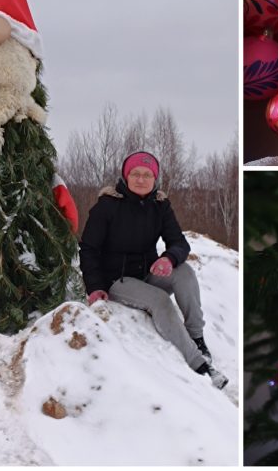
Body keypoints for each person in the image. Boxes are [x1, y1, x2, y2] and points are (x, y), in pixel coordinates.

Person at [79, 151, 228, 389]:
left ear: (155, 178)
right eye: (135, 174)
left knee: (185, 273)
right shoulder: (107, 206)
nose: (141, 179)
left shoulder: (160, 205)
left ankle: (197, 337)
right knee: (160, 301)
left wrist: (169, 258)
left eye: (147, 174)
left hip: (147, 273)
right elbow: (88, 249)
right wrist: (95, 287)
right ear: (126, 177)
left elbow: (179, 242)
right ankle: (199, 364)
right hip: (117, 279)